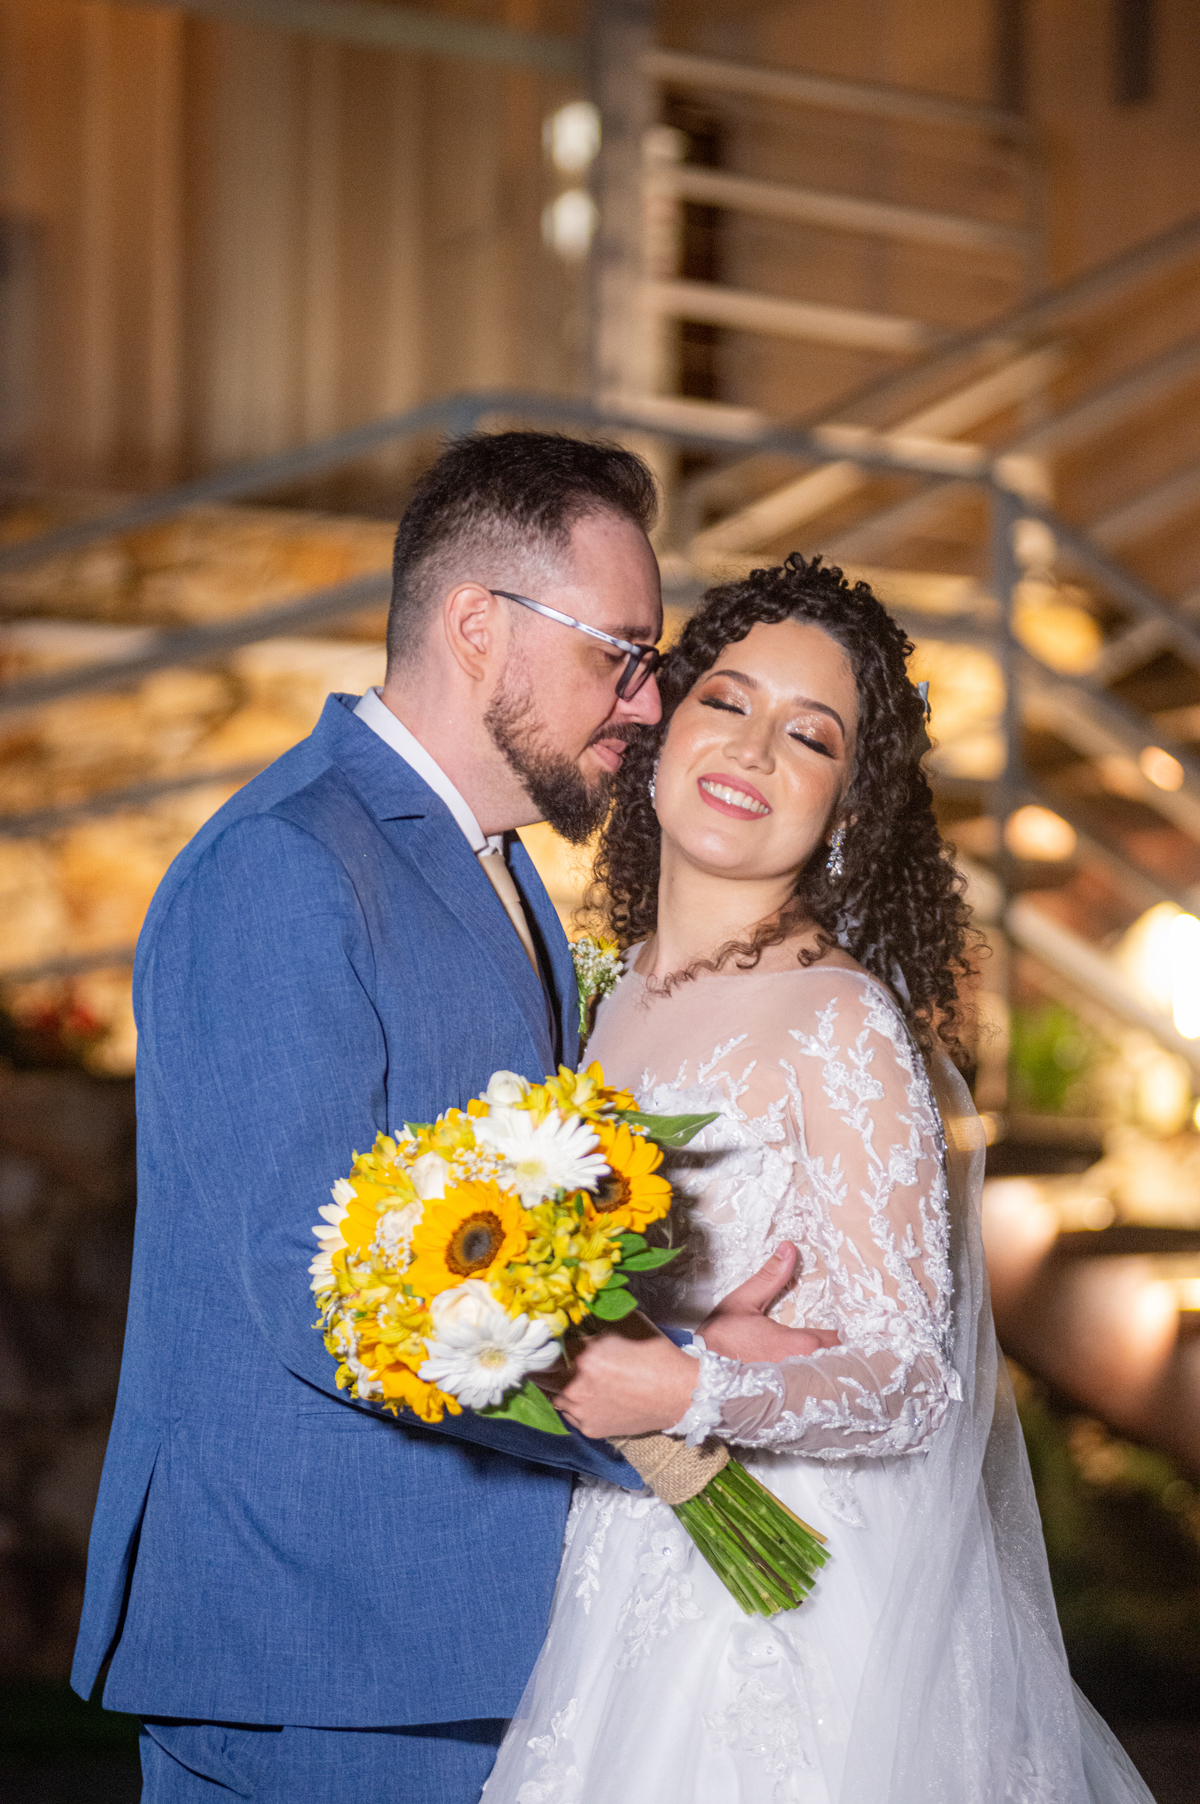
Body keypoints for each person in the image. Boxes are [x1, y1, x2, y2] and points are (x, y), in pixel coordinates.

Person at [70, 433, 816, 1804]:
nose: (646, 706)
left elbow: (516, 1241)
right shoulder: (283, 867)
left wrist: (691, 1342)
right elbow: (321, 1286)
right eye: (620, 656)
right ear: (480, 627)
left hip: (460, 1647)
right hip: (320, 1656)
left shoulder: (507, 873)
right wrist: (655, 1422)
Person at [483, 555, 1155, 1804]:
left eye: (812, 737)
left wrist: (679, 1379)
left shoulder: (836, 1024)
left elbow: (909, 1375)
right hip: (623, 1554)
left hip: (791, 1619)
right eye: (727, 702)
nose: (753, 751)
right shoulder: (603, 992)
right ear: (666, 723)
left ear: (848, 808)